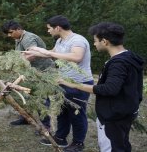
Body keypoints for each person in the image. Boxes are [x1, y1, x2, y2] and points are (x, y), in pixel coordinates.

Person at [58, 22, 144, 152]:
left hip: (114, 115)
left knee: (112, 147)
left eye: (95, 41)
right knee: (122, 144)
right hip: (125, 111)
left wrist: (72, 84)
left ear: (104, 41)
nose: (94, 44)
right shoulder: (129, 56)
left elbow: (109, 89)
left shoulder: (118, 63)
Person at [22, 15, 94, 152]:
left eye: (49, 28)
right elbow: (51, 54)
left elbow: (76, 57)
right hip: (62, 82)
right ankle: (61, 137)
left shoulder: (78, 40)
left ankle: (78, 143)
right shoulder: (60, 40)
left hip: (79, 84)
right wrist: (34, 53)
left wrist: (45, 52)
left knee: (77, 114)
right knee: (62, 112)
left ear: (58, 28)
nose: (48, 31)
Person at [2, 20, 54, 128]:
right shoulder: (19, 38)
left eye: (11, 32)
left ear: (18, 29)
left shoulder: (28, 39)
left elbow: (32, 55)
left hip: (43, 71)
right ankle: (26, 118)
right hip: (31, 71)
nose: (9, 35)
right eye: (8, 33)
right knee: (27, 94)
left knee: (41, 98)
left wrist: (14, 63)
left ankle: (46, 126)